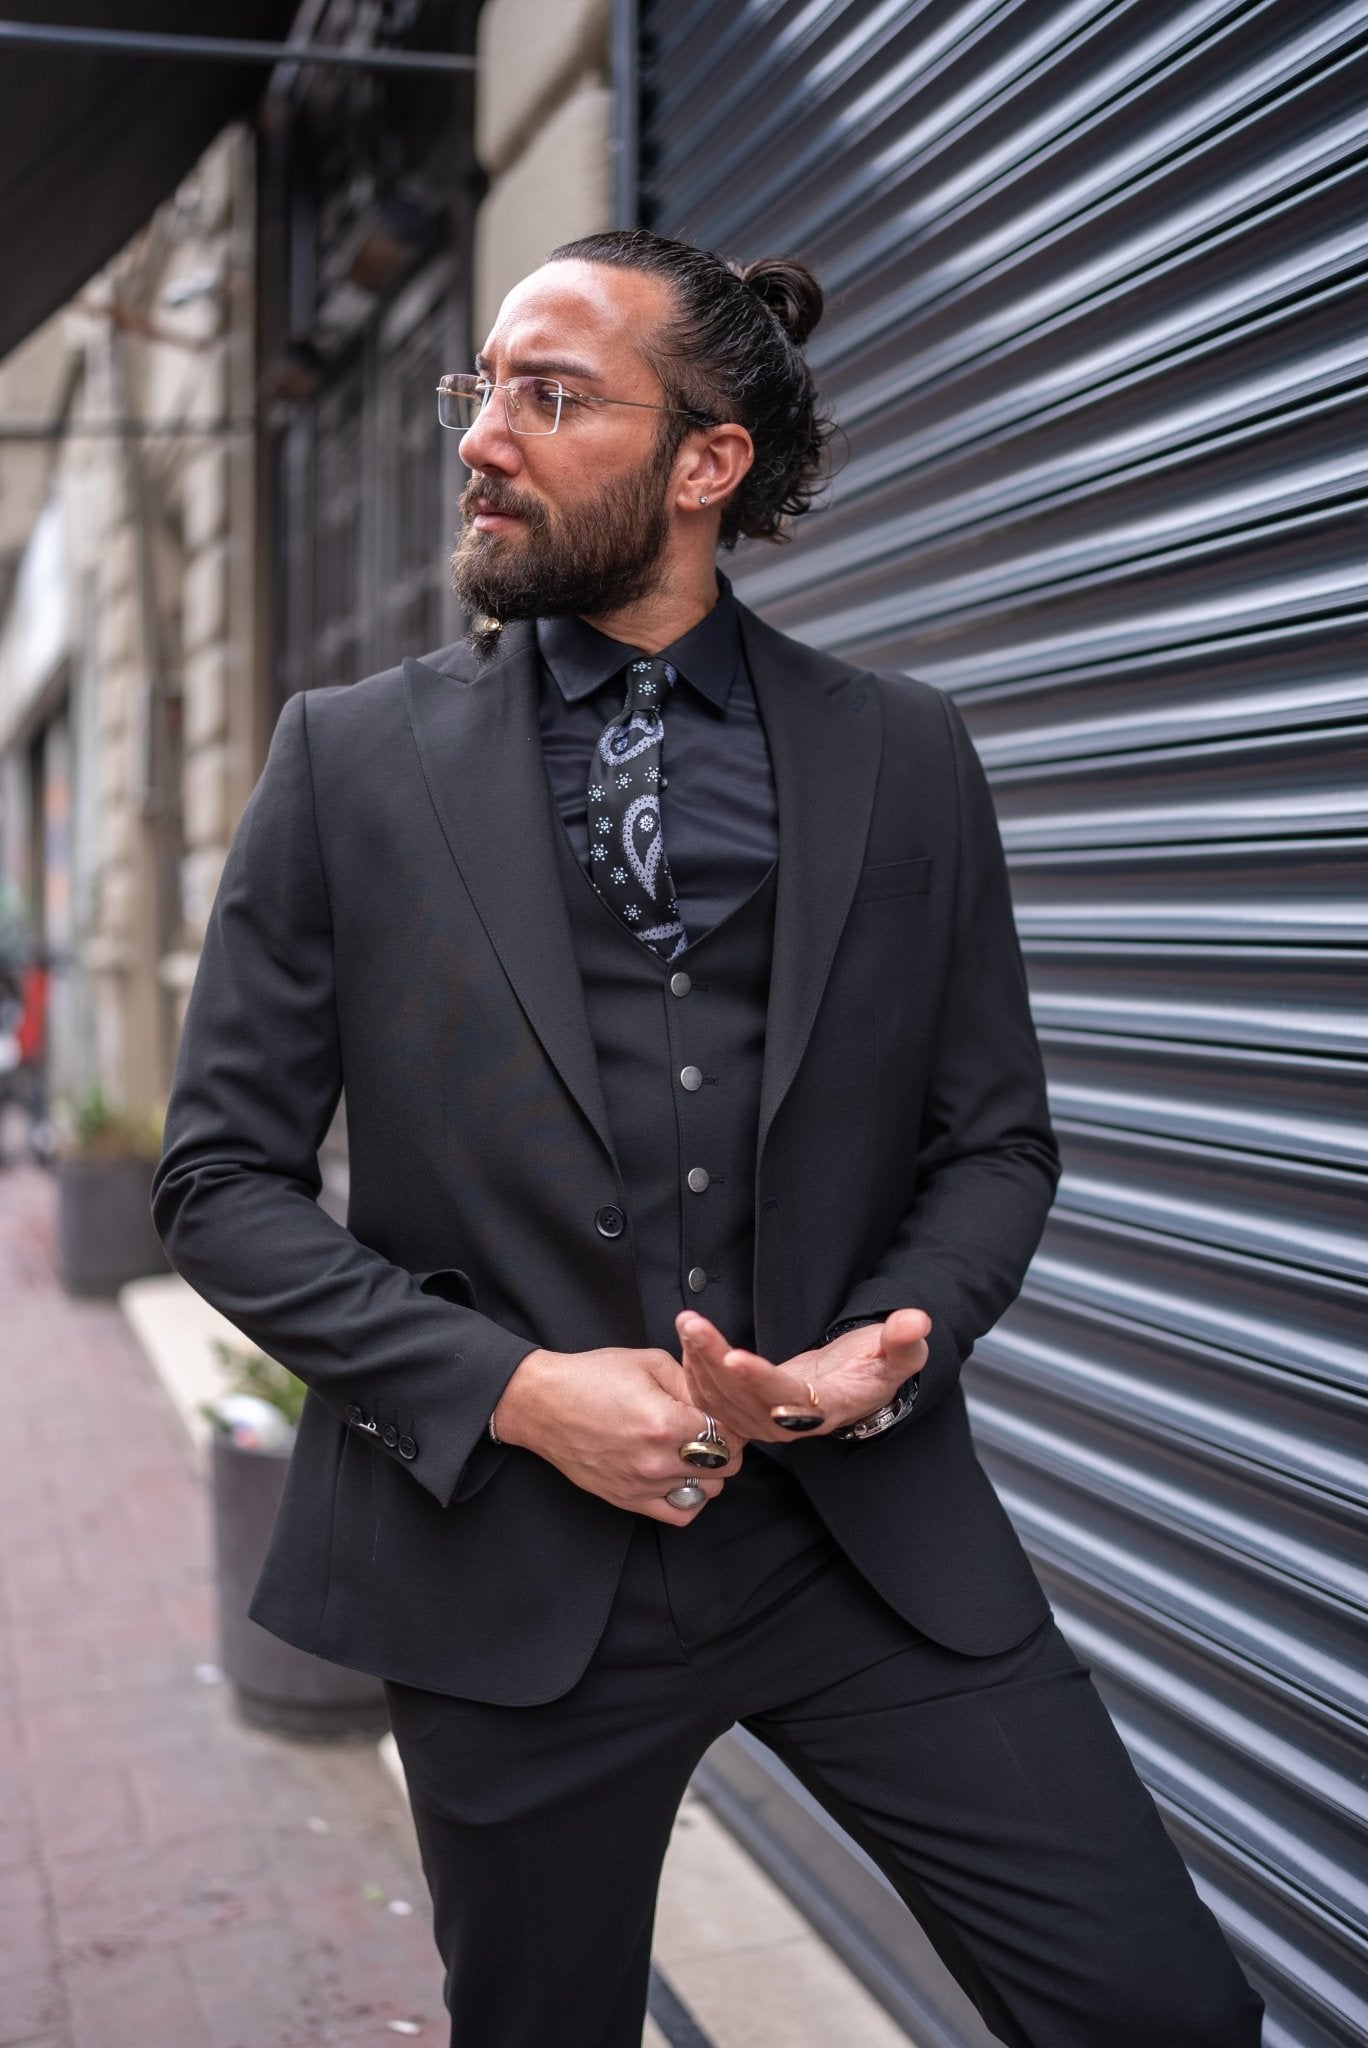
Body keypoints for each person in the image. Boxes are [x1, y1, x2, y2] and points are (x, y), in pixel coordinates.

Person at [153, 228, 1263, 2048]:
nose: (481, 439)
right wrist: (518, 1390)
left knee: (1165, 2013)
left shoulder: (905, 752)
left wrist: (876, 1350)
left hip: (862, 1547)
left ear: (705, 462)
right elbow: (216, 1184)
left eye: (548, 394)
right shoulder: (347, 762)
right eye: (479, 390)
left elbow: (995, 1144)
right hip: (509, 1571)